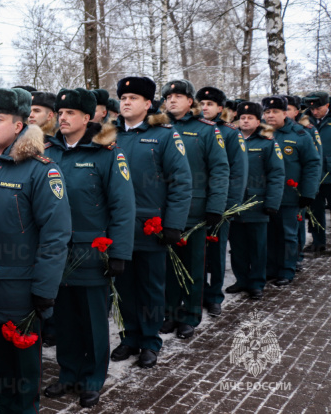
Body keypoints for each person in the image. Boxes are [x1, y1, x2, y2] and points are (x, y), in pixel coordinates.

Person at [0, 87, 71, 414]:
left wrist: (44, 288)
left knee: (23, 372)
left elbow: (56, 233)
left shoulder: (41, 170)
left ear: (19, 125)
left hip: (20, 289)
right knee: (1, 369)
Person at [42, 88, 134, 408]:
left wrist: (119, 253)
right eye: (60, 112)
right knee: (64, 316)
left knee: (93, 318)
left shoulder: (107, 153)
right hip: (55, 250)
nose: (63, 118)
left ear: (87, 117)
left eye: (71, 113)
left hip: (93, 250)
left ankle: (93, 378)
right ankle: (68, 372)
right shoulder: (48, 152)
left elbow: (123, 207)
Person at [110, 76, 191, 369]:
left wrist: (173, 224)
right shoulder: (109, 135)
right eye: (123, 97)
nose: (127, 102)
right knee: (124, 286)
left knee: (150, 287)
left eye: (133, 98)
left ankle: (149, 341)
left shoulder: (165, 135)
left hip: (150, 226)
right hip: (117, 227)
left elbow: (181, 182)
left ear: (147, 103)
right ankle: (129, 336)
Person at [162, 79, 229, 339]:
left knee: (192, 265)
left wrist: (215, 207)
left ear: (191, 102)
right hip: (164, 211)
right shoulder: (160, 128)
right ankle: (170, 313)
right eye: (168, 97)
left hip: (195, 210)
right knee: (168, 266)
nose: (172, 100)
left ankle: (189, 315)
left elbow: (220, 171)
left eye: (178, 96)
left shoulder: (206, 130)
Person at [197, 86, 249, 316]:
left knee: (216, 251)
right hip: (195, 202)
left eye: (210, 104)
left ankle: (214, 295)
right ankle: (196, 292)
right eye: (201, 103)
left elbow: (238, 172)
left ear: (220, 108)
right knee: (195, 253)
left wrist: (231, 204)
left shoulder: (230, 133)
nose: (205, 107)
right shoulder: (193, 129)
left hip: (220, 203)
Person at [227, 102, 285, 300]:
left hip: (257, 203)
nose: (245, 120)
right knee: (237, 246)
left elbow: (276, 174)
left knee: (258, 246)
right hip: (234, 203)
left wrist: (272, 202)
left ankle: (256, 283)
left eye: (250, 117)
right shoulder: (230, 140)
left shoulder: (267, 142)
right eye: (242, 117)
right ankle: (241, 279)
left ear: (258, 121)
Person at [262, 95, 321, 286]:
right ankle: (271, 267)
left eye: (275, 112)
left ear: (285, 113)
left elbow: (312, 164)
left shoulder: (300, 134)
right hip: (265, 195)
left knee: (288, 234)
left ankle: (287, 269)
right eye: (267, 112)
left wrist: (308, 193)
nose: (270, 115)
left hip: (290, 195)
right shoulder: (260, 132)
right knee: (269, 233)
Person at [286, 95, 321, 271]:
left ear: (296, 111)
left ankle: (297, 256)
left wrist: (310, 187)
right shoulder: (268, 129)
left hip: (297, 185)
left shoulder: (306, 129)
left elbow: (315, 159)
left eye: (288, 109)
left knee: (296, 222)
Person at [303, 91, 331, 252]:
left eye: (318, 108)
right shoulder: (305, 121)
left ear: (327, 105)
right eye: (311, 109)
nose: (314, 112)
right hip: (313, 174)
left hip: (329, 172)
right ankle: (318, 241)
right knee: (315, 209)